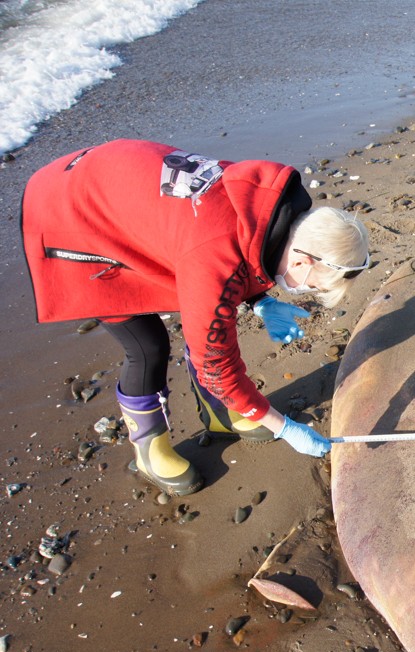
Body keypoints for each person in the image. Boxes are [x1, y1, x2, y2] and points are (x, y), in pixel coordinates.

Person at [21, 140, 371, 496]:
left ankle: (221, 414)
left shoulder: (266, 205)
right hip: (68, 213)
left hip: (121, 190)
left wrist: (260, 301)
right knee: (147, 346)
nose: (302, 292)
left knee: (203, 317)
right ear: (300, 261)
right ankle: (149, 450)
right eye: (309, 286)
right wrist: (284, 428)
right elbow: (216, 365)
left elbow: (243, 250)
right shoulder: (213, 257)